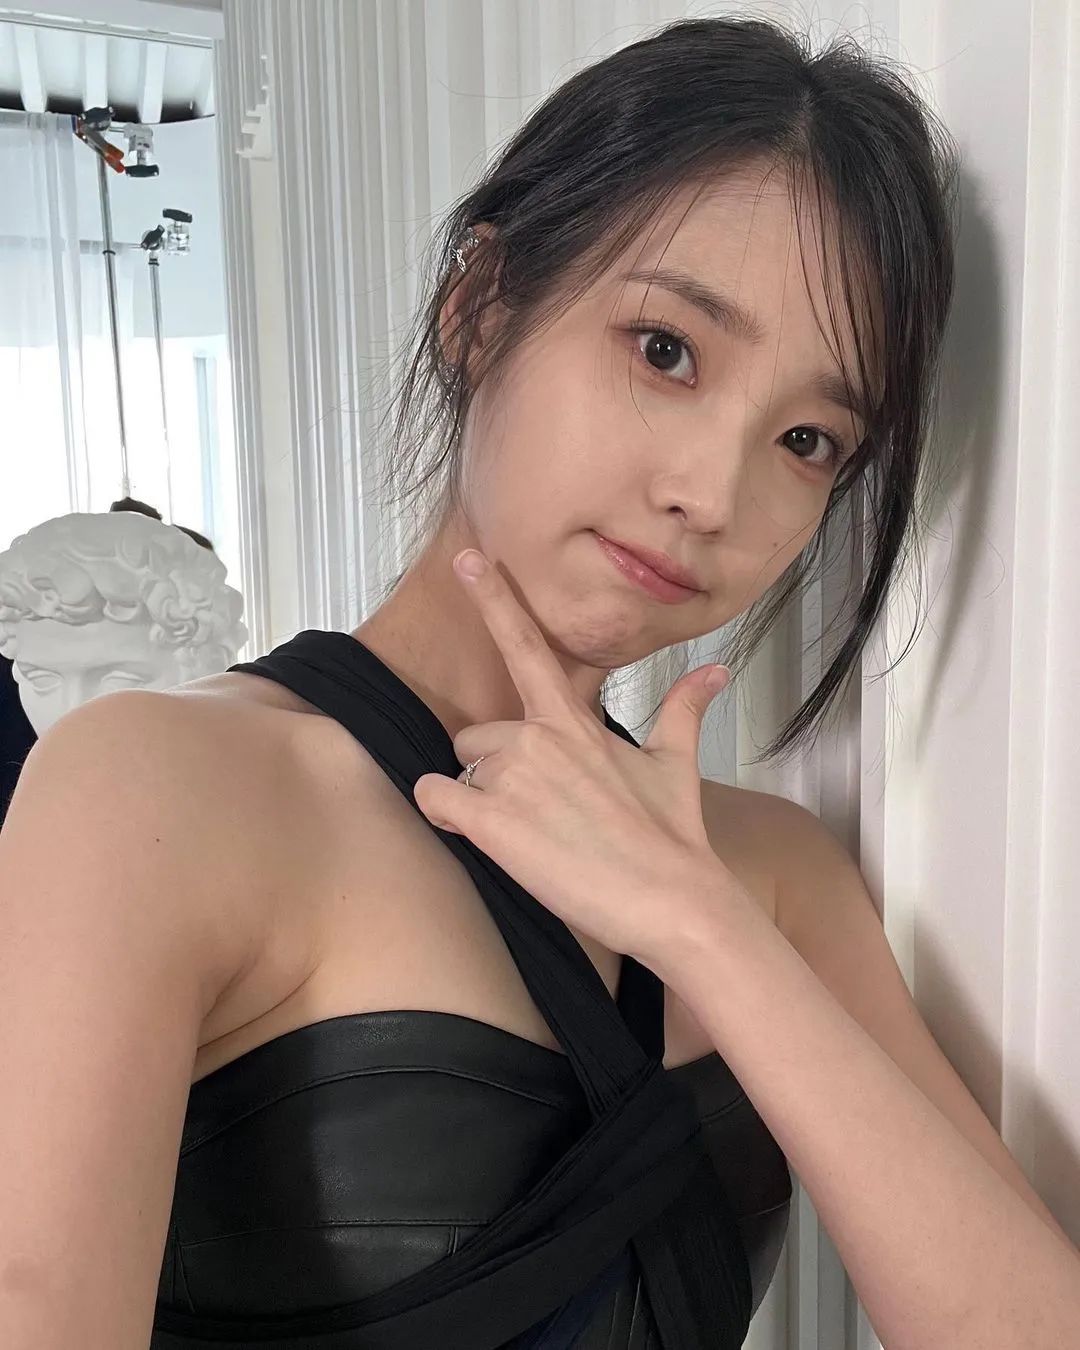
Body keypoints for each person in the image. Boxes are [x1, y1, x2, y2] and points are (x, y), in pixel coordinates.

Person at [10, 14, 1047, 1350]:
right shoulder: (160, 787)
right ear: (480, 309)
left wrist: (701, 926)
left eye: (806, 438)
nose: (711, 493)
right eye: (665, 349)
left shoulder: (774, 873)